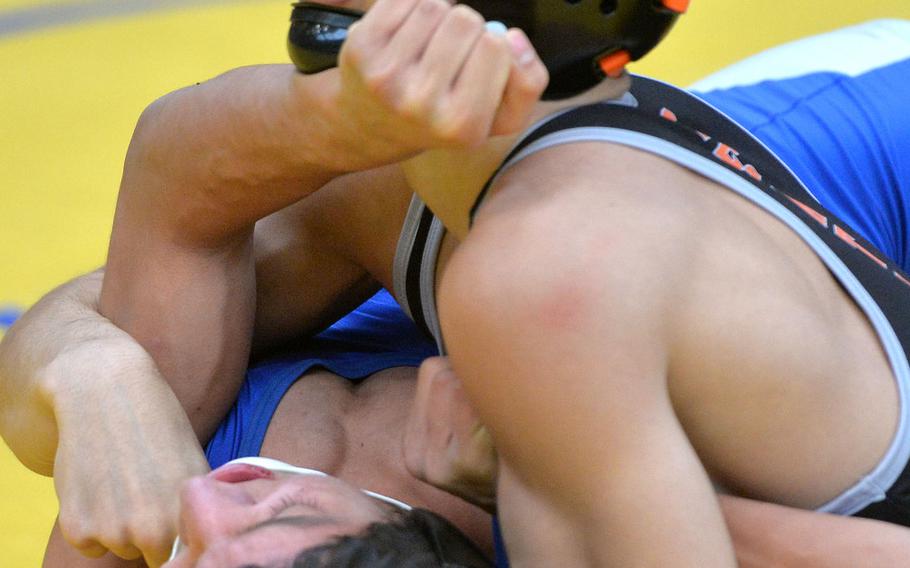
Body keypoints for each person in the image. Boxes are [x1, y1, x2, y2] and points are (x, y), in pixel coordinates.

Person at [1, 0, 909, 564]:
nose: (201, 509)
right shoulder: (555, 313)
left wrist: (90, 375)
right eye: (266, 532)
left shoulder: (178, 483)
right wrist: (515, 479)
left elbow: (177, 179)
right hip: (817, 218)